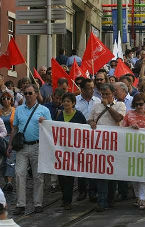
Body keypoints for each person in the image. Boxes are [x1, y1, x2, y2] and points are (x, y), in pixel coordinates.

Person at [8, 84, 51, 215]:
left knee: (38, 177)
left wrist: (45, 122)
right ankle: (20, 204)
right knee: (19, 174)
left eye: (30, 93)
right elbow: (14, 129)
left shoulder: (44, 110)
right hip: (22, 146)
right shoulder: (19, 109)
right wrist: (10, 145)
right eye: (25, 93)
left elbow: (51, 129)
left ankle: (38, 203)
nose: (27, 96)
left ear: (36, 94)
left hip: (38, 146)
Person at [88, 83, 126, 212]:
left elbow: (118, 118)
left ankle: (110, 200)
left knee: (112, 174)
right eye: (103, 94)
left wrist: (108, 106)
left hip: (114, 145)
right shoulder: (95, 106)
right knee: (101, 175)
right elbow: (90, 120)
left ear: (113, 94)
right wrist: (91, 122)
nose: (104, 96)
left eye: (107, 94)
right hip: (99, 145)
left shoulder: (120, 105)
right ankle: (101, 202)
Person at [122, 93, 145, 210]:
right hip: (132, 149)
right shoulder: (129, 115)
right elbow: (122, 130)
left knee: (143, 174)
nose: (139, 107)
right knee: (134, 175)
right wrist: (130, 128)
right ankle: (138, 197)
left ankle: (142, 198)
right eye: (136, 105)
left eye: (141, 104)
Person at [54, 93, 86, 210]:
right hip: (62, 151)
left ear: (73, 103)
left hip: (74, 151)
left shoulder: (79, 115)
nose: (66, 103)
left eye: (68, 101)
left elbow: (85, 130)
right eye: (64, 101)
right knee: (61, 176)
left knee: (69, 176)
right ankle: (64, 197)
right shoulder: (59, 114)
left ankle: (67, 201)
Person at [0, 92, 15, 192]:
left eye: (8, 98)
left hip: (11, 137)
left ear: (11, 100)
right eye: (4, 98)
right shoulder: (0, 112)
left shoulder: (15, 111)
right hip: (1, 139)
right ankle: (6, 182)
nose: (6, 100)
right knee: (3, 162)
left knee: (10, 159)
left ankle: (9, 182)